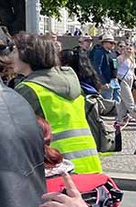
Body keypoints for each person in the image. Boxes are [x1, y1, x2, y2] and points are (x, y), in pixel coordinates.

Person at [10, 33, 102, 174]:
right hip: (89, 163)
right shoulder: (71, 82)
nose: (11, 56)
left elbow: (15, 134)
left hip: (58, 167)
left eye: (15, 51)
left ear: (27, 55)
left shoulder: (29, 89)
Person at [114, 42, 136, 127]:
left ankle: (120, 118)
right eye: (127, 49)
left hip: (130, 79)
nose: (128, 50)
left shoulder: (132, 59)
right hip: (122, 79)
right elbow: (115, 68)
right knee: (129, 100)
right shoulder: (120, 58)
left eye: (130, 49)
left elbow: (132, 71)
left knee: (123, 101)